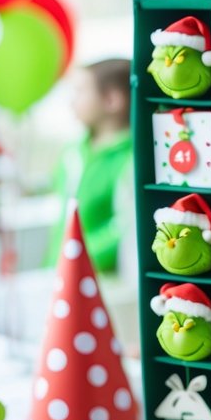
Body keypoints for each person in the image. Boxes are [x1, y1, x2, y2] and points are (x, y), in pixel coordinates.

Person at [46, 59, 134, 275]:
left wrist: (76, 259)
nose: (71, 102)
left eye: (80, 92)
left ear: (112, 100)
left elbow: (124, 229)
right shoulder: (73, 151)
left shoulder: (131, 160)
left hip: (100, 283)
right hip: (59, 270)